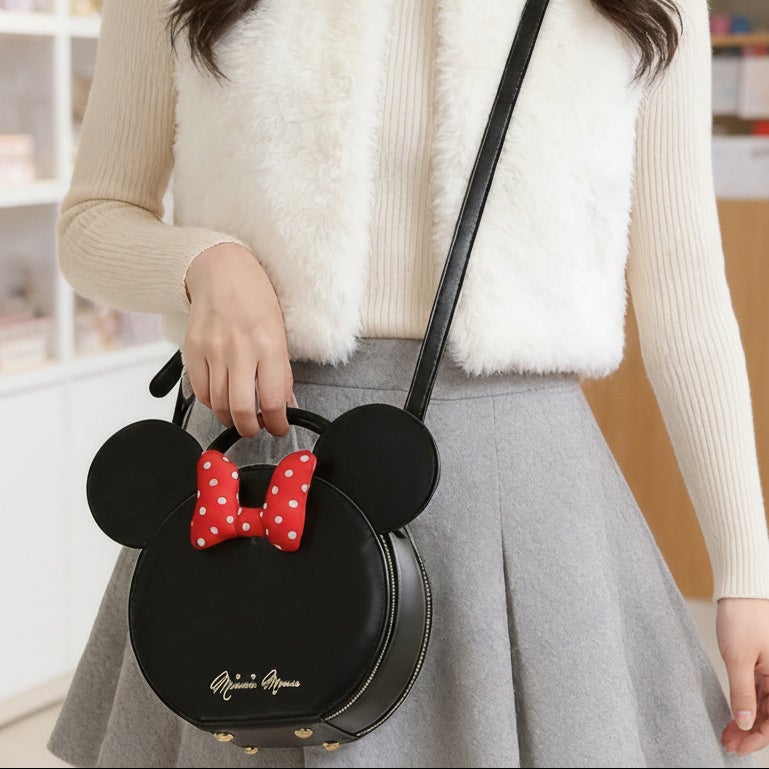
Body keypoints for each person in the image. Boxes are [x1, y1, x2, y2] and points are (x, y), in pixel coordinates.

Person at [48, 0, 769, 766]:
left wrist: (745, 574)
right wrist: (204, 265)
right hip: (257, 483)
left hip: (524, 506)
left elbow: (684, 294)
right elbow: (94, 218)